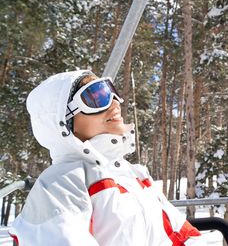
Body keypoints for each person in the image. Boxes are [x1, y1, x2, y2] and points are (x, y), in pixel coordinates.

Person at [9, 70, 204, 245]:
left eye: (111, 91)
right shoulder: (60, 184)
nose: (114, 102)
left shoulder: (132, 174)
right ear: (64, 121)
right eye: (96, 98)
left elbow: (178, 236)